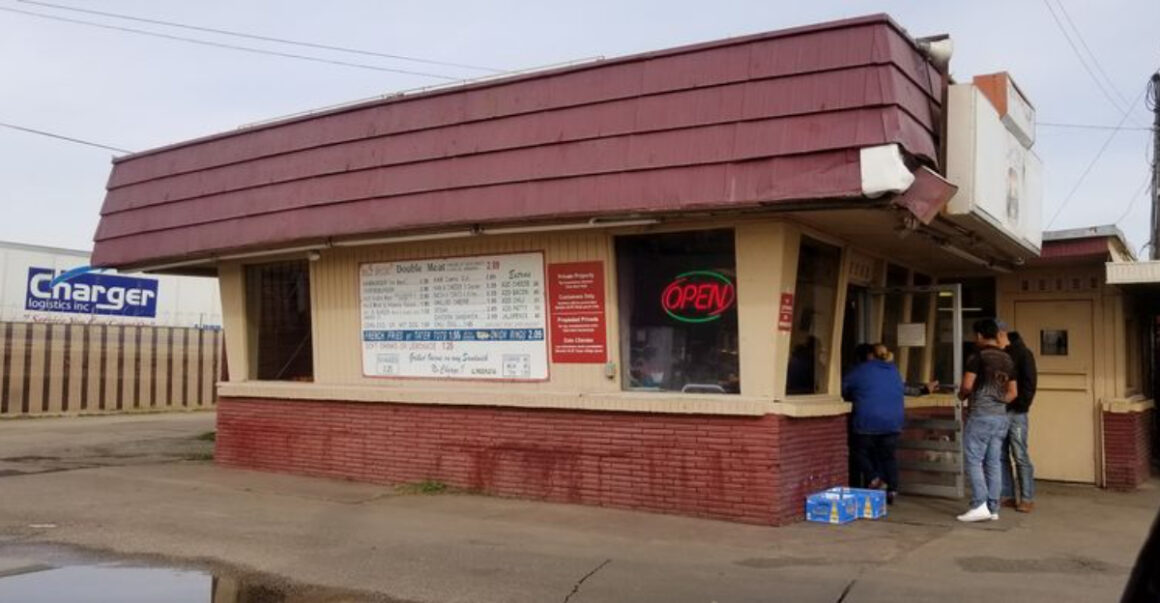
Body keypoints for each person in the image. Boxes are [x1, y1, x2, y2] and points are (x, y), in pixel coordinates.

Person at [957, 318, 1018, 522]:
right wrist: (998, 401)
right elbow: (1013, 393)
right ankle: (993, 508)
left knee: (974, 459)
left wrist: (963, 396)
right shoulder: (1008, 359)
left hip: (981, 414)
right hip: (1000, 416)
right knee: (993, 462)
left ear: (981, 335)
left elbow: (967, 385)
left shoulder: (977, 357)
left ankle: (978, 504)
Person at [842, 343, 905, 504]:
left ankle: (874, 479)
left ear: (868, 355)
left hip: (868, 422)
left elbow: (842, 389)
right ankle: (892, 490)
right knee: (888, 457)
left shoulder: (859, 370)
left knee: (858, 451)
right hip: (893, 423)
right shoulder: (893, 370)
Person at [998, 325, 1037, 513]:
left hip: (1016, 412)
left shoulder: (1023, 354)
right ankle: (1008, 495)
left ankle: (1027, 497)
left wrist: (1021, 405)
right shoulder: (1002, 354)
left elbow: (1029, 383)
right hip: (1003, 410)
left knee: (1019, 454)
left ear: (1003, 336)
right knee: (1002, 454)